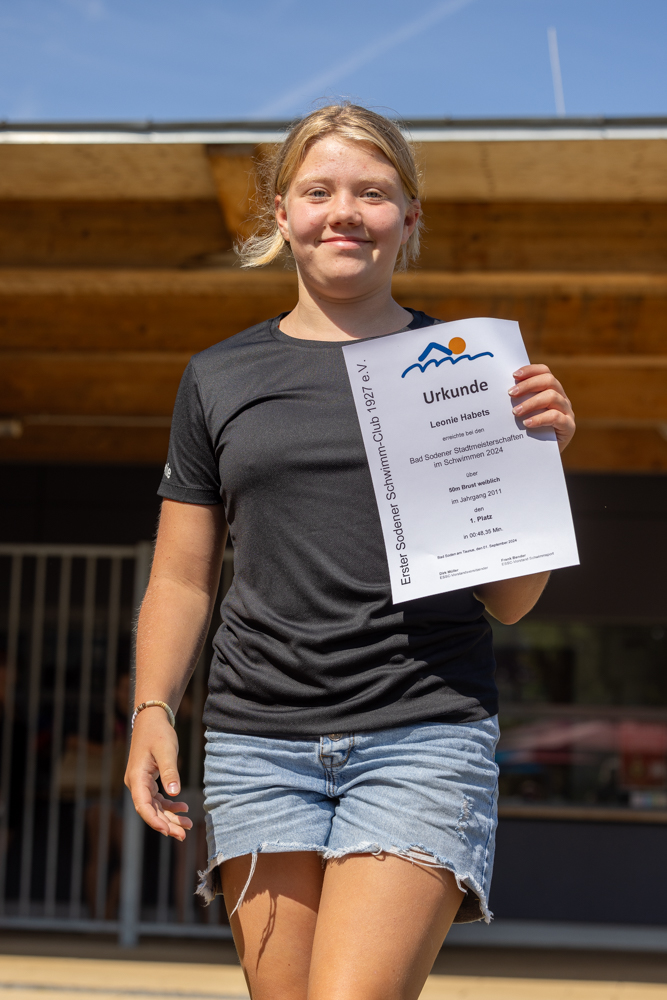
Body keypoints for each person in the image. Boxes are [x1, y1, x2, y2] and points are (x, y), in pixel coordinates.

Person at [125, 103, 575, 1000]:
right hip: (256, 742)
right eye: (318, 191)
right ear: (282, 213)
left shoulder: (470, 373)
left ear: (408, 216)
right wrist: (151, 708)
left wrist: (535, 467)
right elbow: (181, 577)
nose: (344, 212)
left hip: (421, 731)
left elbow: (510, 601)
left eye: (372, 193)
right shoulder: (217, 376)